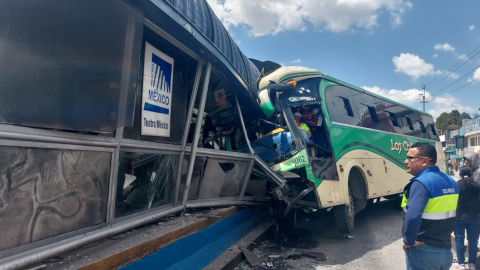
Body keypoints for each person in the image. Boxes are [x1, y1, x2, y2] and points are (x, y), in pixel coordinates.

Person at [401, 142, 459, 270]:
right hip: (446, 251)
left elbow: (413, 216)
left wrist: (408, 241)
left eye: (410, 158)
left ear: (425, 161)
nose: (406, 161)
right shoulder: (451, 181)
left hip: (424, 251)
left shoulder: (421, 183)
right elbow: (455, 213)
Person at [453, 166, 480, 269]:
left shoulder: (457, 185)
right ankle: (472, 263)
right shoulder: (477, 185)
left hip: (460, 216)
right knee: (473, 240)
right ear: (471, 174)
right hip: (474, 217)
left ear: (459, 174)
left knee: (459, 239)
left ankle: (461, 263)